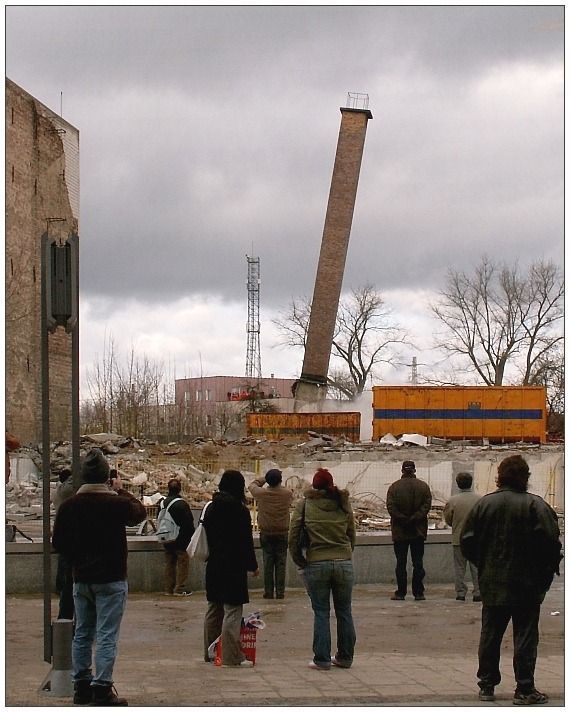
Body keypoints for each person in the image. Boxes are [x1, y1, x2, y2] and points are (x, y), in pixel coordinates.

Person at [460, 454, 562, 706]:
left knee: (490, 634)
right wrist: (544, 574)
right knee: (526, 636)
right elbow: (551, 545)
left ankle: (486, 685)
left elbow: (467, 542)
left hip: (492, 582)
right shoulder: (535, 506)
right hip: (527, 584)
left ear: (500, 477)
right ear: (525, 478)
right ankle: (525, 688)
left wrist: (484, 566)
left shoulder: (484, 505)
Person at [52, 448, 146, 706]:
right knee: (106, 635)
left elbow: (58, 542)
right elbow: (139, 512)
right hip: (111, 579)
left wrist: (79, 559)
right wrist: (121, 489)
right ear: (107, 477)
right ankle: (102, 688)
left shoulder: (70, 506)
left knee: (82, 632)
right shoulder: (115, 503)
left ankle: (81, 686)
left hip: (81, 579)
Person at [288, 467, 356, 670]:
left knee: (321, 612)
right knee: (344, 610)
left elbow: (293, 535)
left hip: (317, 563)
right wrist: (345, 553)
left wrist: (300, 560)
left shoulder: (305, 504)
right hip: (344, 563)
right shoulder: (343, 503)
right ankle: (345, 657)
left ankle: (322, 659)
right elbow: (351, 533)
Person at [203, 470, 259, 667]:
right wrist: (252, 565)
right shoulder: (240, 511)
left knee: (214, 609)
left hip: (214, 565)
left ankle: (210, 653)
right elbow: (246, 543)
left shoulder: (210, 508)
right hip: (233, 567)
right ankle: (230, 656)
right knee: (232, 611)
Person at [386, 460, 432, 601]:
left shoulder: (394, 488)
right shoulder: (423, 487)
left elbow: (391, 507)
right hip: (418, 531)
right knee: (418, 562)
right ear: (414, 470)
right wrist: (414, 518)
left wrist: (402, 519)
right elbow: (426, 506)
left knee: (401, 563)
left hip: (400, 531)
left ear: (402, 471)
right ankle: (418, 592)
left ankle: (401, 592)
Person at [248, 468, 293, 599]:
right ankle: (280, 592)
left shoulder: (262, 494)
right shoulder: (287, 493)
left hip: (266, 533)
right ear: (280, 480)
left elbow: (252, 486)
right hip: (282, 533)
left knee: (268, 563)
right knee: (281, 563)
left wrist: (263, 479)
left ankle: (268, 592)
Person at [443, 471, 482, 602]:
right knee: (476, 567)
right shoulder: (479, 499)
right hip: (476, 538)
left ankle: (461, 593)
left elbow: (448, 519)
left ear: (458, 484)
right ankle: (478, 592)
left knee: (459, 567)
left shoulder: (452, 500)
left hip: (458, 538)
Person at [160, 478, 195, 597]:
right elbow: (189, 523)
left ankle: (168, 588)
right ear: (180, 489)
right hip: (181, 539)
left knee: (169, 563)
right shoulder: (181, 504)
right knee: (182, 563)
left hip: (166, 538)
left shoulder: (162, 503)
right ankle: (180, 588)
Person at [52, 468, 75, 619]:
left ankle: (64, 622)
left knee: (66, 587)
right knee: (69, 588)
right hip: (72, 543)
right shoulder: (67, 492)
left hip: (63, 542)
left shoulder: (57, 492)